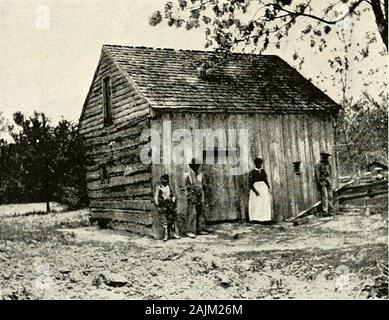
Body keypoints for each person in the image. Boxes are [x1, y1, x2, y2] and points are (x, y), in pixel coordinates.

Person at [183, 158, 208, 238]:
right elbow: (187, 186)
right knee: (192, 213)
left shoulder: (201, 175)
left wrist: (201, 191)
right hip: (192, 195)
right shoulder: (188, 175)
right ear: (191, 166)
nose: (196, 167)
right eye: (194, 166)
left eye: (197, 166)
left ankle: (199, 229)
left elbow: (203, 184)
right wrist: (192, 190)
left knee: (200, 212)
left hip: (200, 194)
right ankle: (189, 231)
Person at [154, 174, 180, 241]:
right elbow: (156, 197)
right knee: (164, 221)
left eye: (166, 180)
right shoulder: (159, 188)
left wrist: (173, 198)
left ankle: (174, 233)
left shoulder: (169, 187)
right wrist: (158, 204)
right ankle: (166, 235)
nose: (165, 181)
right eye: (164, 179)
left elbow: (172, 195)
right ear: (161, 180)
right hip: (163, 205)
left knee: (171, 219)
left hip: (170, 205)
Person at [248, 158, 272, 223]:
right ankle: (256, 219)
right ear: (256, 164)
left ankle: (265, 218)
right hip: (256, 189)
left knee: (265, 203)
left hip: (263, 189)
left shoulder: (263, 171)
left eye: (261, 163)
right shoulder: (252, 172)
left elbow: (265, 180)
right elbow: (250, 184)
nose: (260, 165)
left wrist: (268, 188)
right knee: (257, 204)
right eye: (259, 164)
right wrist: (255, 191)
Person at [315, 151, 335, 216]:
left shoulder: (328, 164)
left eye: (327, 157)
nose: (326, 158)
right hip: (322, 181)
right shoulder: (318, 164)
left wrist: (330, 180)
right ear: (322, 157)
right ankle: (325, 211)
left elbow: (330, 173)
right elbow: (317, 175)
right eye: (325, 157)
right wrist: (320, 182)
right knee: (325, 196)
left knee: (330, 196)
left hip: (328, 180)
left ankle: (331, 210)